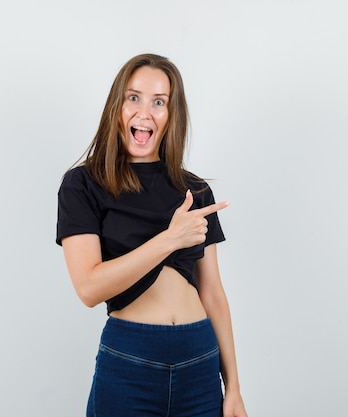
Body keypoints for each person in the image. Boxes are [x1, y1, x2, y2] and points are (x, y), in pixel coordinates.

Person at [56, 54, 248, 417]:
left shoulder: (193, 190)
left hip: (200, 359)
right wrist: (170, 239)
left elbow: (212, 293)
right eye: (134, 98)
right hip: (131, 361)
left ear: (171, 116)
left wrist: (233, 387)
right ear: (117, 107)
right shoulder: (82, 185)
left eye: (159, 102)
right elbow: (89, 288)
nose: (145, 111)